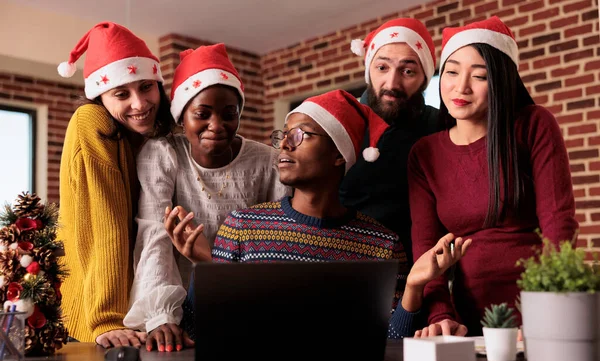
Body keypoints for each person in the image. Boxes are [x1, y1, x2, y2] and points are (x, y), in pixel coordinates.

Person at [163, 90, 471, 342]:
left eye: (300, 135)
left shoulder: (382, 244)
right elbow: (197, 331)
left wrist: (415, 286)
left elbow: (390, 344)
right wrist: (204, 269)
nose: (284, 143)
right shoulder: (241, 228)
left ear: (339, 154)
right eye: (283, 135)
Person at [408, 16, 578, 337]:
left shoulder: (533, 124)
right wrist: (441, 315)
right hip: (468, 315)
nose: (461, 87)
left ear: (501, 80)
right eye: (452, 71)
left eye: (480, 75)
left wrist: (550, 307)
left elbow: (559, 221)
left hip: (540, 305)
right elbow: (427, 249)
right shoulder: (425, 154)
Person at [123, 44, 290, 352]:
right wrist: (160, 315)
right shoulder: (164, 153)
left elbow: (277, 243)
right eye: (202, 114)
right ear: (181, 116)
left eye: (230, 114)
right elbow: (154, 235)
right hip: (181, 308)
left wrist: (214, 260)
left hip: (250, 305)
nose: (217, 126)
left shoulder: (267, 162)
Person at [56, 22, 174, 347]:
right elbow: (104, 222)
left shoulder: (154, 138)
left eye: (147, 87)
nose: (139, 103)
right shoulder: (91, 122)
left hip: (141, 304)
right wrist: (107, 319)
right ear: (100, 96)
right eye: (121, 93)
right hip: (100, 312)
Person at [340, 18, 443, 264]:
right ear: (369, 69)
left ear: (424, 78)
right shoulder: (339, 119)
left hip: (418, 267)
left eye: (408, 71)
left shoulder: (440, 127)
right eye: (382, 68)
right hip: (339, 265)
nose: (392, 84)